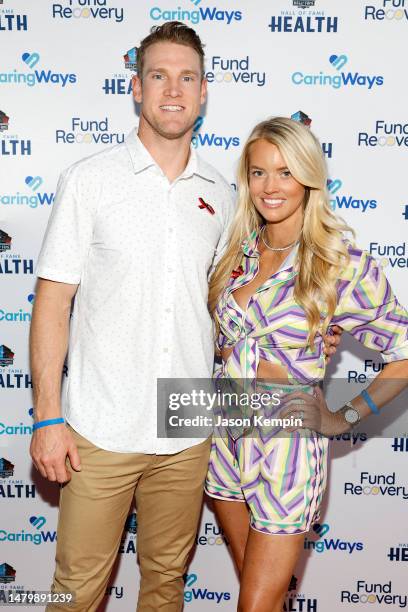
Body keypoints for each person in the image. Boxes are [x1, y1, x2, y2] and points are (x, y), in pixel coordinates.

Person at [29, 23, 339, 611]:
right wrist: (47, 416)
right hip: (100, 427)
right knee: (76, 592)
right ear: (137, 89)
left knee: (167, 583)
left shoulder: (225, 196)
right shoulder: (89, 181)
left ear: (203, 94)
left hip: (188, 428)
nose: (173, 90)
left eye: (187, 78)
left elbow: (252, 303)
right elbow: (53, 301)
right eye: (159, 75)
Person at [205, 117, 408, 612]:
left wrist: (343, 418)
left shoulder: (341, 261)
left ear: (310, 177)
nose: (270, 186)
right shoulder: (236, 250)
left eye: (285, 172)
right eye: (258, 172)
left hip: (287, 450)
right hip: (223, 440)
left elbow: (403, 351)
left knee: (254, 605)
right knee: (260, 595)